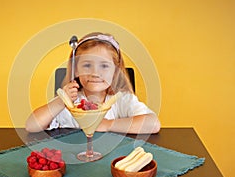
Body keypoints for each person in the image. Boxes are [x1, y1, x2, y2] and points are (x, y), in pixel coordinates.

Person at [26, 32, 160, 134]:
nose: (95, 73)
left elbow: (153, 124)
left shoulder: (123, 100)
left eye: (104, 66)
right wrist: (61, 102)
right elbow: (31, 126)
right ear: (76, 69)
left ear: (115, 71)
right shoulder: (68, 101)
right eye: (87, 65)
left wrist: (106, 124)